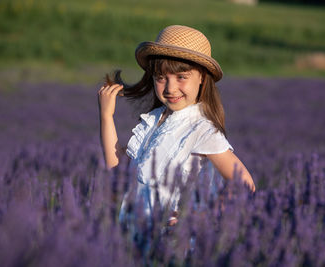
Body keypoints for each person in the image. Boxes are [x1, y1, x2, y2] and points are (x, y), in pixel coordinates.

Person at [98, 25, 255, 226]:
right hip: (135, 238)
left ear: (202, 78)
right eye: (161, 78)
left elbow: (245, 186)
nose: (171, 88)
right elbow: (118, 173)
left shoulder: (202, 130)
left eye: (181, 77)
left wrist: (202, 216)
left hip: (173, 244)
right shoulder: (154, 121)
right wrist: (106, 116)